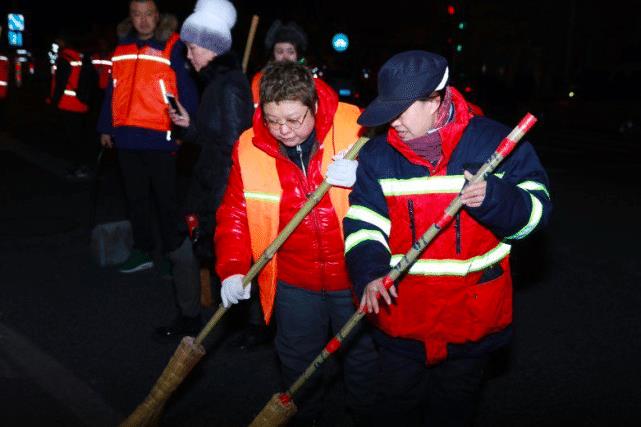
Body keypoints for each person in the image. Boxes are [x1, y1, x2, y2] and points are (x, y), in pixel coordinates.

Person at [343, 50, 552, 426]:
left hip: (469, 321)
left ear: (435, 100)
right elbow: (363, 223)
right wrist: (369, 273)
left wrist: (495, 199)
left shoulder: (494, 143)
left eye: (401, 110)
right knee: (395, 409)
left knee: (453, 412)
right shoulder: (376, 156)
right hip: (400, 320)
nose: (393, 123)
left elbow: (535, 217)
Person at [215, 61, 378, 424]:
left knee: (365, 362)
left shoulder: (359, 126)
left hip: (356, 275)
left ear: (315, 107)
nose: (283, 130)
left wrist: (365, 177)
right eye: (273, 120)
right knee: (298, 366)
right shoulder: (249, 146)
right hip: (293, 281)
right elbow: (234, 214)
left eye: (293, 119)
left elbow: (401, 185)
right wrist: (231, 268)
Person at [155, 0, 253, 337]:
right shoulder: (217, 84)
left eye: (193, 48)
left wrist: (219, 208)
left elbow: (235, 150)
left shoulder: (230, 87)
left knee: (206, 254)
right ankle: (199, 319)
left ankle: (218, 324)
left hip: (218, 192)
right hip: (208, 187)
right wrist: (190, 124)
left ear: (210, 48)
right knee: (191, 251)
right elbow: (216, 136)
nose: (188, 56)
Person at [97, 0, 198, 274]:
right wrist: (106, 127)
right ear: (130, 17)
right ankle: (143, 251)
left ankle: (173, 254)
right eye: (136, 14)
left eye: (148, 14)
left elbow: (187, 91)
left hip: (160, 136)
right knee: (135, 199)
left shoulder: (174, 46)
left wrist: (184, 131)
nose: (142, 20)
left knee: (166, 201)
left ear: (158, 16)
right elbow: (112, 91)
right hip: (127, 137)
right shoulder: (121, 48)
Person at [47, 35, 96, 180]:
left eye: (58, 41)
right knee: (80, 136)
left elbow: (60, 84)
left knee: (72, 138)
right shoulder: (80, 58)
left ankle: (77, 167)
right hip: (81, 102)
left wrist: (53, 103)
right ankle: (82, 164)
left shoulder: (64, 58)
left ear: (64, 42)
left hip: (67, 104)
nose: (57, 43)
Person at [250, 20, 308, 106]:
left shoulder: (307, 81)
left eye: (290, 52)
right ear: (273, 54)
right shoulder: (259, 81)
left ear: (297, 54)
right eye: (280, 52)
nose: (285, 57)